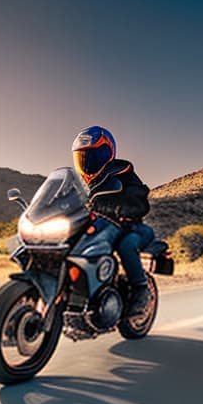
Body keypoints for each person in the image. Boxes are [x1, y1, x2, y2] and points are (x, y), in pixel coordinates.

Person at [72, 125, 154, 316]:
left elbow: (140, 201)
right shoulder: (83, 184)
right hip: (98, 225)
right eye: (81, 156)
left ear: (107, 153)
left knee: (127, 245)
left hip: (129, 226)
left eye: (92, 155)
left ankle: (140, 291)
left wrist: (122, 208)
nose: (86, 161)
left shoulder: (123, 173)